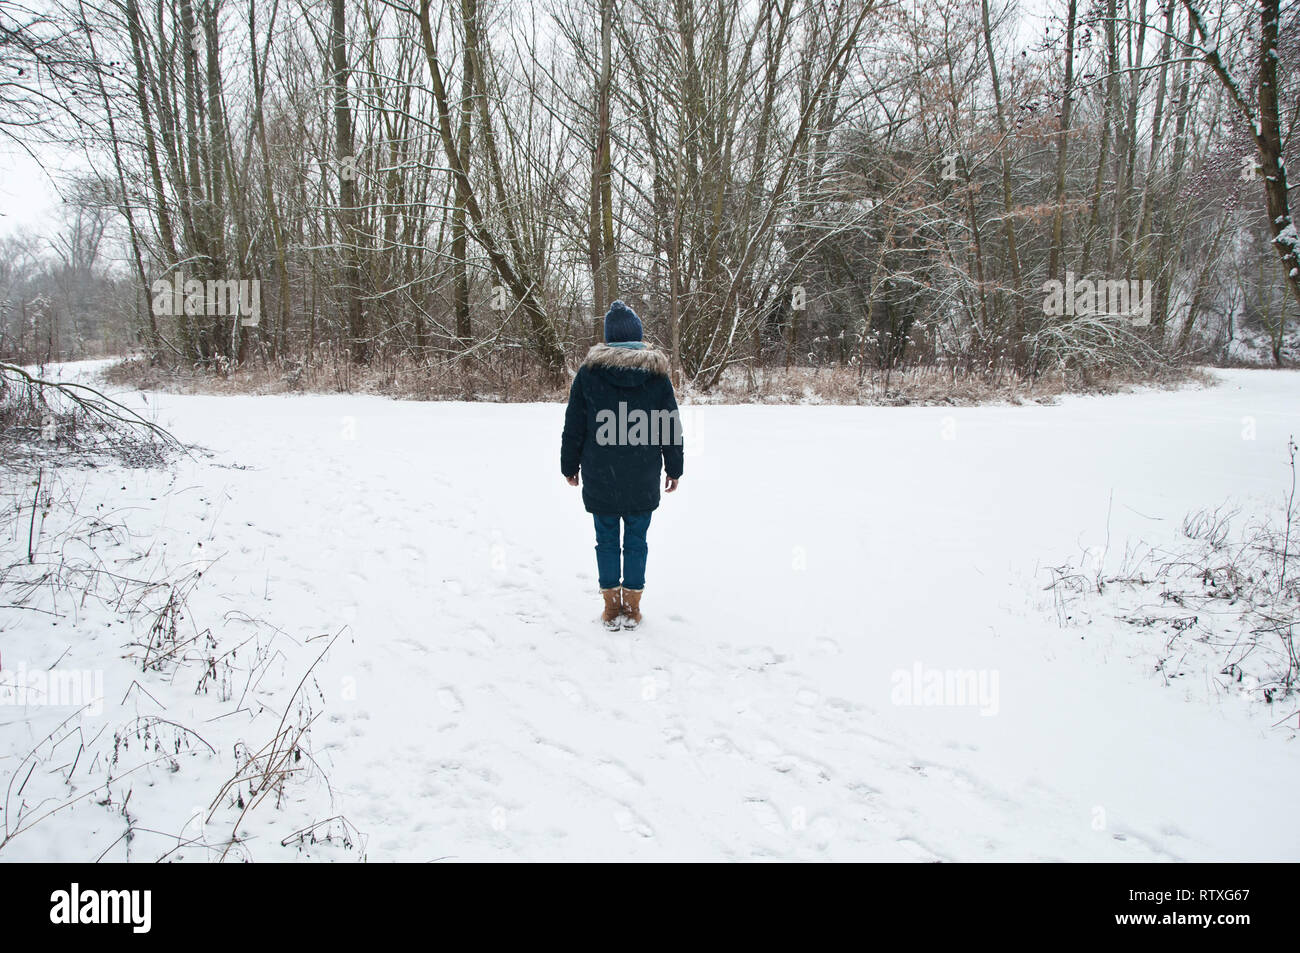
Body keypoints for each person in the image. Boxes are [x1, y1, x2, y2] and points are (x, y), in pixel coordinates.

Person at [561, 299, 684, 630]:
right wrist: (674, 467)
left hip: (601, 472)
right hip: (642, 473)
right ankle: (633, 606)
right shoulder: (656, 377)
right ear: (638, 337)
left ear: (608, 339)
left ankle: (611, 607)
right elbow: (669, 425)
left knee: (605, 539)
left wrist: (569, 465)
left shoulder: (589, 375)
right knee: (636, 540)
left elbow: (575, 424)